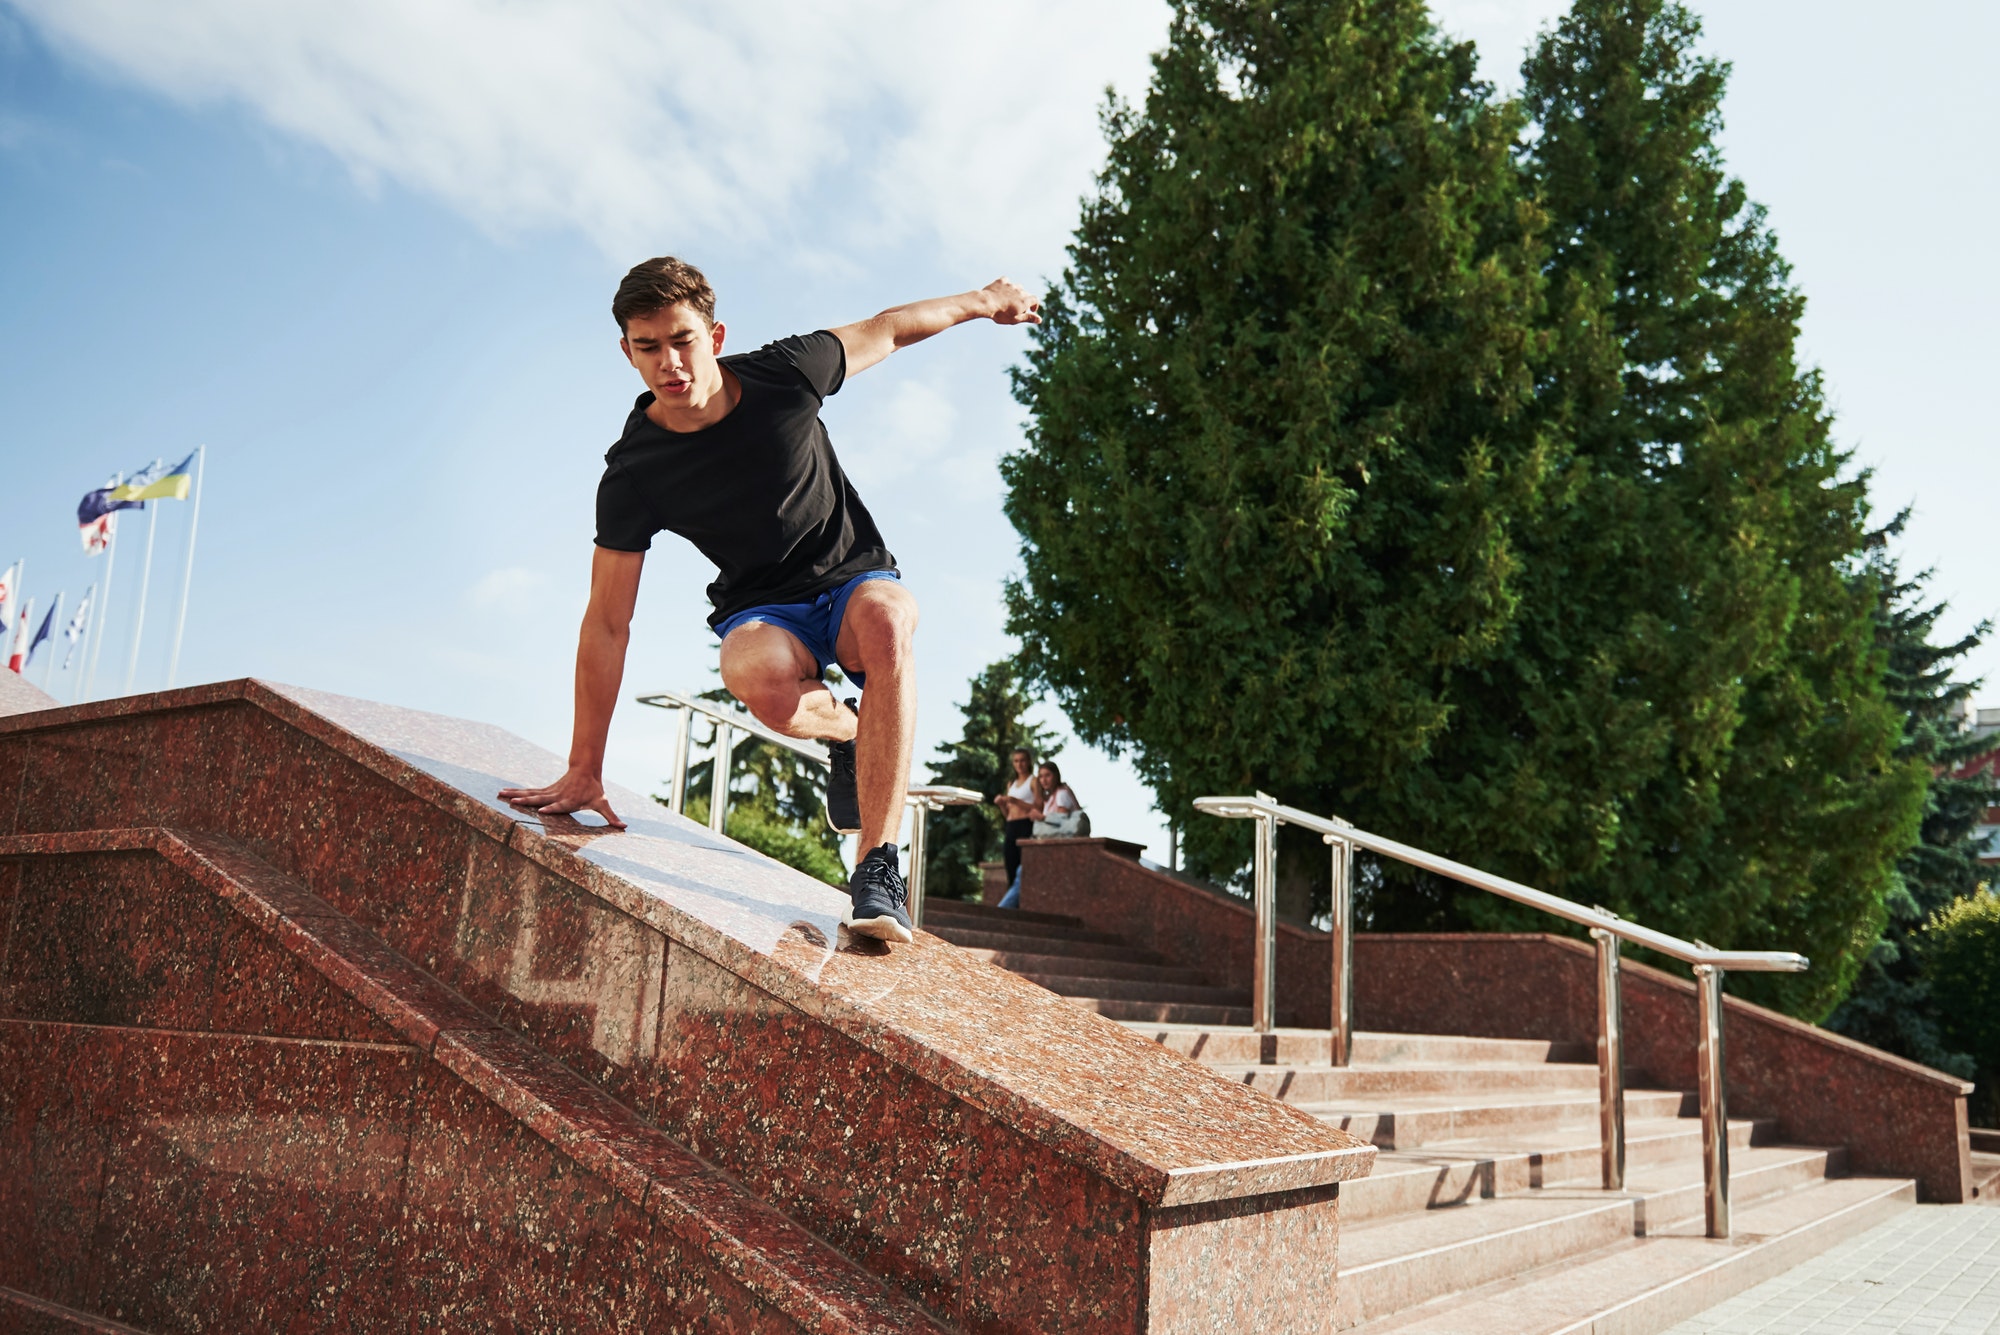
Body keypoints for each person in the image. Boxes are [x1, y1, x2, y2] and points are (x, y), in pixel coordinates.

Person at [498, 256, 1042, 944]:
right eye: (649, 347)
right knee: (750, 672)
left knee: (888, 620)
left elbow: (891, 329)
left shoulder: (788, 372)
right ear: (627, 353)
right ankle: (848, 730)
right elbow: (607, 622)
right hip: (765, 610)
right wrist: (585, 764)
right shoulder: (634, 471)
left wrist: (983, 298)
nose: (670, 363)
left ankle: (877, 865)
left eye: (683, 340)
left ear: (715, 336)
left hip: (852, 578)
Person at [991, 747, 1037, 904]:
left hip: (1026, 825)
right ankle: (1013, 905)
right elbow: (1008, 814)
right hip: (1011, 826)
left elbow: (1039, 807)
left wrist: (1016, 801)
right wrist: (1001, 805)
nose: (1020, 764)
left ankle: (1019, 903)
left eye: (1022, 760)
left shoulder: (1033, 781)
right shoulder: (1011, 783)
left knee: (1022, 870)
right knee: (1010, 866)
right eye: (1016, 761)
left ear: (1029, 762)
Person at [1028, 762, 1085, 838]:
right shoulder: (1050, 797)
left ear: (1056, 776)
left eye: (1047, 775)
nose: (1044, 780)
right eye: (1041, 776)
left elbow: (1062, 822)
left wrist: (1041, 817)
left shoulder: (1062, 794)